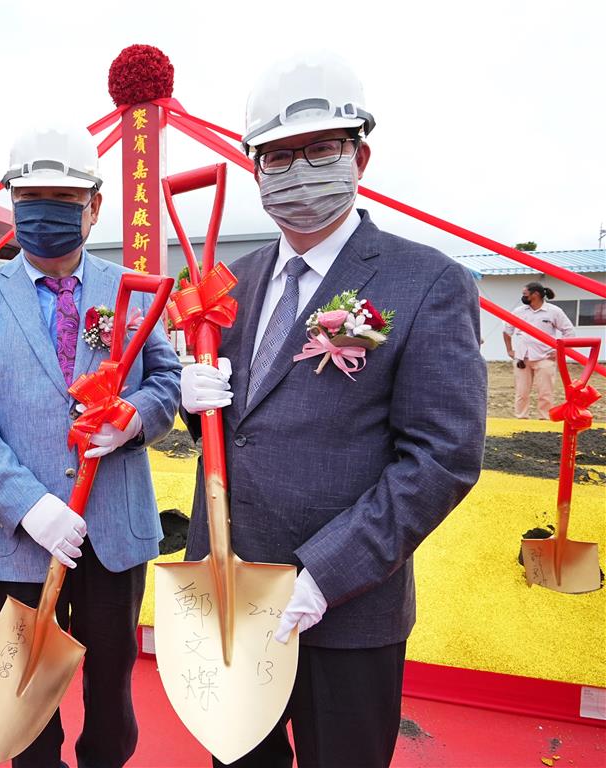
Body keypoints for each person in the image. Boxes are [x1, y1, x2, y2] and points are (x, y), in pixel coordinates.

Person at [180, 53, 487, 768]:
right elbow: (238, 432)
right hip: (231, 590)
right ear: (257, 171)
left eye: (321, 149)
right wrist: (196, 408)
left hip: (348, 606)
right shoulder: (232, 283)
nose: (298, 171)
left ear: (360, 157)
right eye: (278, 156)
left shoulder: (426, 282)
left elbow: (442, 457)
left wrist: (325, 574)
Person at [0, 124, 181, 768]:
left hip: (113, 529)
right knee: (27, 693)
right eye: (31, 199)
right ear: (13, 203)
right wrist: (28, 505)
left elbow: (166, 379)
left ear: (94, 206)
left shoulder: (133, 287)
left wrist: (133, 420)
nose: (45, 212)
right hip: (21, 535)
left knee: (111, 684)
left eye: (65, 200)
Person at [503, 282, 575, 419]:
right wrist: (509, 350)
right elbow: (507, 330)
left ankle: (544, 419)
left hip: (545, 358)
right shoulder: (519, 311)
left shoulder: (554, 311)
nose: (523, 297)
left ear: (535, 294)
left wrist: (560, 351)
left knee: (545, 393)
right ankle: (521, 418)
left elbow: (569, 332)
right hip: (522, 358)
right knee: (521, 392)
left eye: (525, 294)